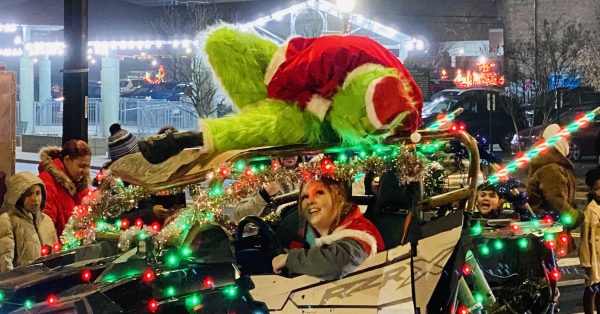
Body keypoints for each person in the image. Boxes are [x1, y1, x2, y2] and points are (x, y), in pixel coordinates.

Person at [271, 177, 384, 280]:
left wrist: (289, 259)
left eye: (318, 193)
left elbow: (338, 263)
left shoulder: (361, 231)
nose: (310, 201)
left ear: (338, 197)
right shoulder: (309, 231)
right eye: (305, 197)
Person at [526, 124, 583, 229]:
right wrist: (576, 217)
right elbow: (556, 200)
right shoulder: (551, 169)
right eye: (567, 140)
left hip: (549, 226)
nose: (569, 144)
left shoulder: (552, 165)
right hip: (549, 229)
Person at [0, 172, 58, 273]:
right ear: (18, 197)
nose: (35, 199)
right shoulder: (8, 221)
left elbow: (55, 255)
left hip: (46, 280)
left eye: (38, 193)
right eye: (29, 194)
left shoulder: (46, 221)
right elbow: (5, 260)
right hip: (22, 282)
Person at [39, 139, 91, 237]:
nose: (85, 171)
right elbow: (46, 226)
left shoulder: (80, 183)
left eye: (88, 166)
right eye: (81, 166)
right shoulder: (47, 183)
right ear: (67, 160)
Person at [233, 156, 300, 222]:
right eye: (284, 152)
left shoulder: (303, 178)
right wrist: (264, 195)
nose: (290, 155)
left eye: (293, 152)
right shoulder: (258, 179)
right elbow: (239, 215)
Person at [580, 167, 600, 314]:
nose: (599, 191)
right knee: (591, 288)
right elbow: (585, 239)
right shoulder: (589, 211)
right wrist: (586, 262)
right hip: (594, 257)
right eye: (596, 188)